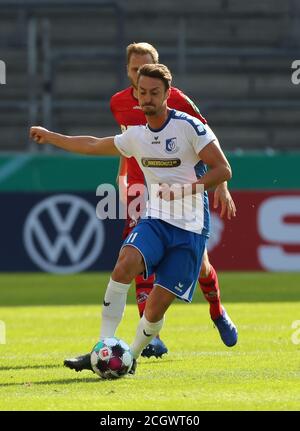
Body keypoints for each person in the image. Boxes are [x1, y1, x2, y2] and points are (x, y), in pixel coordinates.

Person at [30, 63, 237, 375]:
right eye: (142, 92)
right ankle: (102, 347)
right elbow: (91, 144)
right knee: (124, 264)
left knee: (156, 308)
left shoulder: (190, 127)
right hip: (156, 219)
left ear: (168, 94)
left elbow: (223, 169)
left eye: (154, 93)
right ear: (136, 94)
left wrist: (185, 190)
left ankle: (130, 358)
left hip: (191, 229)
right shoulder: (136, 136)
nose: (147, 98)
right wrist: (51, 136)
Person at [110, 43, 237, 358]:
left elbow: (206, 139)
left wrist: (220, 185)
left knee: (203, 265)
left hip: (180, 190)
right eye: (135, 70)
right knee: (135, 257)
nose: (140, 75)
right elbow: (128, 141)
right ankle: (148, 336)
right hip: (144, 187)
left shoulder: (175, 99)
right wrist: (122, 174)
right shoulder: (118, 102)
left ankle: (217, 310)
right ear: (127, 71)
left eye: (145, 68)